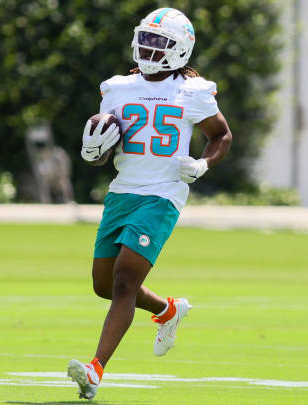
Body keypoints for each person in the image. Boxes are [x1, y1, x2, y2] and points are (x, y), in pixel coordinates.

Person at [67, 8, 233, 400]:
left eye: (160, 42)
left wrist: (203, 163)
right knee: (103, 286)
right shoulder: (116, 87)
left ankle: (94, 370)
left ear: (180, 49)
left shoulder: (193, 91)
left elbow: (222, 135)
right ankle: (167, 309)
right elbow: (105, 149)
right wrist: (93, 151)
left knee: (125, 281)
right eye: (147, 38)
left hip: (163, 194)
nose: (149, 47)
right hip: (123, 190)